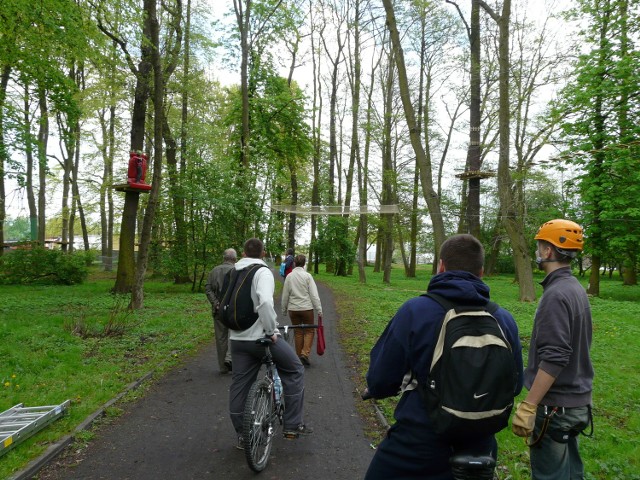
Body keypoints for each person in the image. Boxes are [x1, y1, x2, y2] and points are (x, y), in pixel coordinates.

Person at [364, 234, 523, 479]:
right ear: (481, 272)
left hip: (417, 445)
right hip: (480, 448)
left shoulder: (415, 311)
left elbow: (380, 380)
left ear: (440, 267)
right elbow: (515, 385)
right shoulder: (504, 319)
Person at [512, 219, 594, 480]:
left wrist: (529, 405)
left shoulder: (556, 295)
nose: (538, 251)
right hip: (576, 403)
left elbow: (556, 356)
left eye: (540, 246)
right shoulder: (574, 289)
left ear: (548, 251)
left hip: (556, 408)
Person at [229, 238, 312, 449]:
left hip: (237, 339)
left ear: (243, 252)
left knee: (240, 385)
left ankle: (242, 434)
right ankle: (293, 425)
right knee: (294, 369)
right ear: (263, 253)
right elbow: (265, 302)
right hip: (260, 339)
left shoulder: (233, 271)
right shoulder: (262, 272)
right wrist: (271, 330)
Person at [281, 254, 323, 366]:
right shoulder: (307, 276)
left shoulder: (289, 276)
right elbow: (314, 295)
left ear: (294, 263)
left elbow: (285, 294)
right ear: (304, 264)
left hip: (293, 309)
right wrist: (319, 309)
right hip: (306, 308)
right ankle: (305, 354)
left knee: (298, 331)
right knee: (309, 331)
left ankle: (299, 357)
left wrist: (284, 309)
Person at [205, 248, 237, 374]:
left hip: (218, 310)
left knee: (220, 337)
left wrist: (216, 303)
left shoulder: (214, 271)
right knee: (236, 335)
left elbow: (208, 289)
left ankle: (223, 366)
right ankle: (230, 358)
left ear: (224, 258)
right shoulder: (237, 271)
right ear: (234, 259)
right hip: (233, 310)